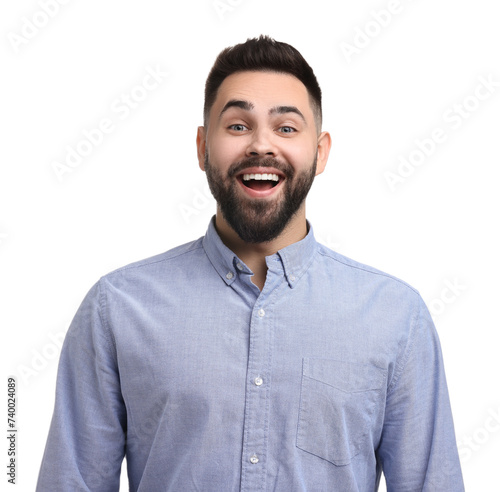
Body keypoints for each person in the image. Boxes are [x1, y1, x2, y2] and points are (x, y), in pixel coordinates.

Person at [37, 35, 464, 491]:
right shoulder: (117, 308)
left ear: (320, 152)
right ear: (202, 147)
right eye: (238, 126)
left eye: (286, 128)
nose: (262, 146)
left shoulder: (395, 316)